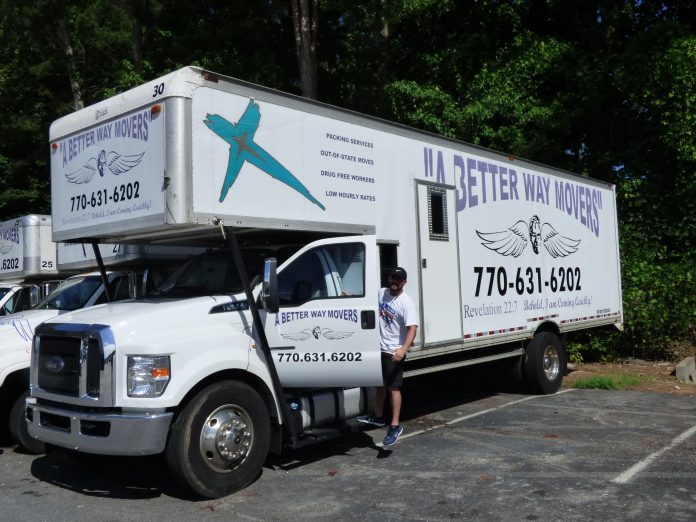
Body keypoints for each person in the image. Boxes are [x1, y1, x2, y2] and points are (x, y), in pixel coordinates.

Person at [357, 266, 419, 446]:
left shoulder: (406, 302)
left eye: (398, 280)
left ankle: (395, 425)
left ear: (404, 283)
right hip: (379, 348)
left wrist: (403, 349)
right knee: (380, 384)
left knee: (393, 388)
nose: (394, 282)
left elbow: (413, 329)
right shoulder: (381, 293)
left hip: (393, 352)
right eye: (393, 278)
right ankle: (377, 416)